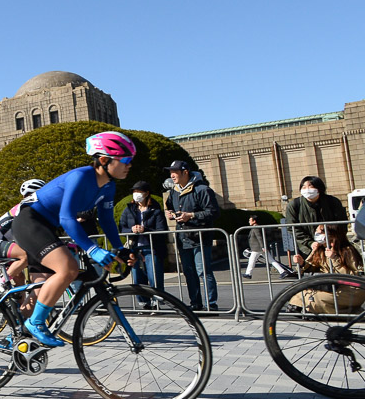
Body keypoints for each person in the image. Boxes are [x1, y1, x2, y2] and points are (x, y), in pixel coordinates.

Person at [12, 132, 137, 347]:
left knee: (47, 283)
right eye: (125, 160)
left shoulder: (109, 186)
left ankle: (18, 334)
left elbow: (106, 220)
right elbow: (67, 217)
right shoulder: (80, 177)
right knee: (68, 268)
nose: (129, 166)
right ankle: (36, 322)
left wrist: (120, 248)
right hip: (30, 221)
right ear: (104, 159)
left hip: (49, 228)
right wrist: (92, 249)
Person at [163, 160, 221, 312]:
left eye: (174, 171)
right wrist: (169, 213)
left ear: (185, 172)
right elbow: (169, 206)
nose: (172, 175)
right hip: (183, 237)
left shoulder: (202, 189)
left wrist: (192, 215)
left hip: (200, 237)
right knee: (189, 272)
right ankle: (195, 303)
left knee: (203, 270)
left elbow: (213, 212)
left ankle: (211, 304)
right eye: (170, 172)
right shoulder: (174, 191)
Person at [288, 224, 365, 313]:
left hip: (349, 290)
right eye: (316, 231)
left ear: (332, 235)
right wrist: (302, 263)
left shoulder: (347, 250)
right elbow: (312, 268)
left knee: (315, 299)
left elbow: (351, 275)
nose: (316, 233)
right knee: (299, 295)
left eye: (320, 232)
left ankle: (350, 313)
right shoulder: (321, 249)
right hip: (330, 288)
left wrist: (334, 259)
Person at [119, 181, 168, 305]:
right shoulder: (129, 209)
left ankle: (157, 301)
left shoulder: (156, 210)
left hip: (152, 248)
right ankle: (143, 303)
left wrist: (145, 230)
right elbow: (121, 227)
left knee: (154, 276)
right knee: (137, 277)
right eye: (134, 192)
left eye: (139, 192)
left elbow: (162, 230)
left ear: (146, 193)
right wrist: (131, 230)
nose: (136, 195)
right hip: (134, 248)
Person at [285, 176, 348, 267]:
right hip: (307, 247)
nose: (307, 190)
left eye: (310, 186)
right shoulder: (294, 205)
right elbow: (292, 228)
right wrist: (310, 243)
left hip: (332, 246)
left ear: (319, 188)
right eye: (303, 187)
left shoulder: (332, 202)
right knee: (312, 272)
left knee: (337, 268)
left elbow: (342, 224)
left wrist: (333, 241)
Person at [242, 215, 292, 279]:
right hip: (259, 248)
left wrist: (263, 246)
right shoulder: (255, 227)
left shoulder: (256, 228)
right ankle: (283, 271)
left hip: (258, 248)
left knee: (252, 261)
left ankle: (248, 274)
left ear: (254, 221)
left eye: (250, 220)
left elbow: (259, 237)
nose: (249, 221)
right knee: (271, 260)